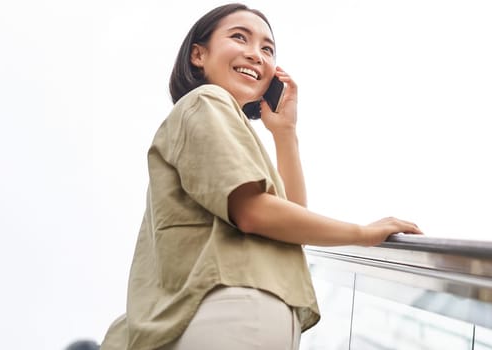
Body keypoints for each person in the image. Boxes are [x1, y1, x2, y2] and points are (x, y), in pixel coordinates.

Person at [100, 3, 422, 349]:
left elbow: (290, 226)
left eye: (267, 49)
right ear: (198, 54)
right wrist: (363, 234)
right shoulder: (206, 101)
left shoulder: (224, 122)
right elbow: (254, 212)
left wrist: (285, 133)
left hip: (239, 313)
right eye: (239, 38)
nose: (256, 55)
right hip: (232, 310)